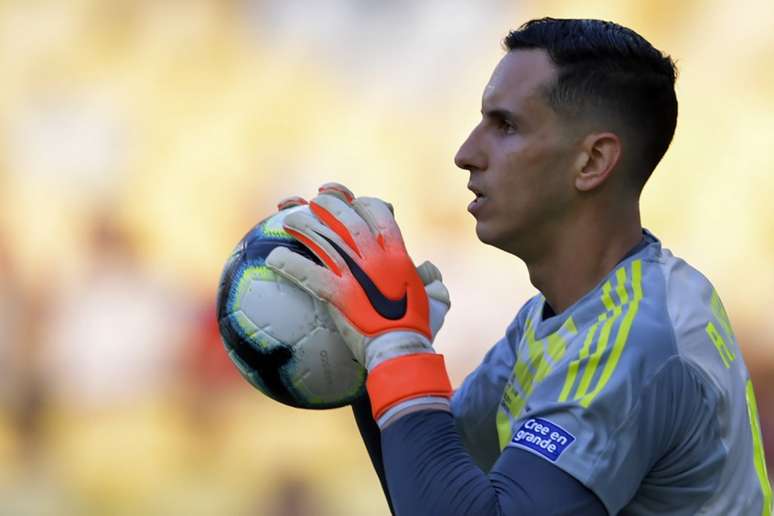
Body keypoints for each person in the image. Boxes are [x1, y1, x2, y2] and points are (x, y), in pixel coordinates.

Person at [265, 18, 772, 515]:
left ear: (592, 161)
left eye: (505, 125)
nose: (466, 154)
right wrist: (368, 350)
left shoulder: (637, 337)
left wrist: (399, 349)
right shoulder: (558, 316)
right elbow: (436, 488)